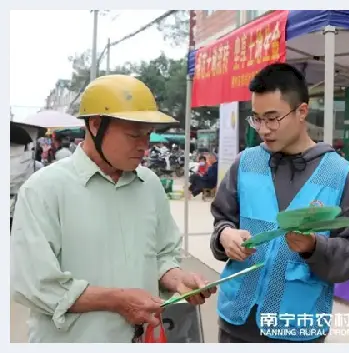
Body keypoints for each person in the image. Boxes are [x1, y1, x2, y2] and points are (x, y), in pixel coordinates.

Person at [10, 75, 216, 343]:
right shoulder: (44, 189)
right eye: (133, 135)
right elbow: (34, 284)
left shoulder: (149, 185)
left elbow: (163, 253)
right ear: (95, 125)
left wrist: (176, 279)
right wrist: (117, 301)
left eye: (147, 135)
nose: (144, 145)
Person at [209, 63, 349, 343]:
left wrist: (314, 247)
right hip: (236, 320)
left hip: (297, 328)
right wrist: (225, 235)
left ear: (302, 112)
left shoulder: (340, 174)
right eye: (257, 119)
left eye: (272, 118)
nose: (264, 129)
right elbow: (222, 219)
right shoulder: (245, 163)